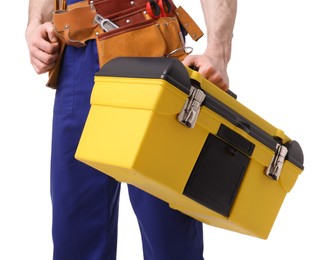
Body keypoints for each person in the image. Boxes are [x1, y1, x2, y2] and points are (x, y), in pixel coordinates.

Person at [26, 0, 237, 259]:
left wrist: (219, 51)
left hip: (149, 46)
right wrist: (34, 24)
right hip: (75, 60)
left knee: (168, 235)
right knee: (74, 236)